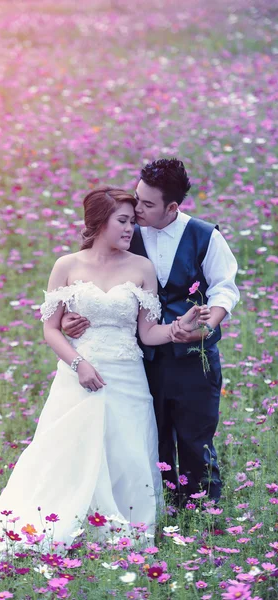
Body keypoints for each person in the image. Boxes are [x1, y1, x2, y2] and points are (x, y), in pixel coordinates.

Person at [0, 187, 210, 561]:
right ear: (99, 222)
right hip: (79, 376)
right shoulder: (67, 265)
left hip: (127, 378)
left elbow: (148, 333)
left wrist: (177, 328)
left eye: (132, 221)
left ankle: (123, 535)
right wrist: (79, 364)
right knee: (69, 453)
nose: (130, 229)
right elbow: (51, 329)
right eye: (123, 221)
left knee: (127, 454)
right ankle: (62, 521)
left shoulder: (141, 268)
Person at [63, 161, 240, 505]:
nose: (136, 208)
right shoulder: (125, 230)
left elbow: (225, 289)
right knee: (148, 436)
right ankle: (156, 505)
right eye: (137, 198)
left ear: (172, 207)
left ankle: (200, 509)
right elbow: (91, 278)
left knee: (195, 436)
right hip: (140, 357)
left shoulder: (205, 236)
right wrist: (72, 318)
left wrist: (207, 325)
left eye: (147, 204)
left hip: (194, 358)